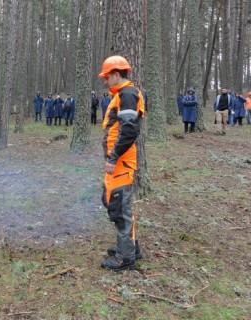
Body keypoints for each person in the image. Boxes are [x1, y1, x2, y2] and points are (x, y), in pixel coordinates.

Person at [97, 55, 145, 271]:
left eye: (106, 77)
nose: (105, 82)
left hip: (121, 164)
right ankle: (130, 248)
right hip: (119, 163)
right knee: (115, 204)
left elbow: (129, 130)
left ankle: (125, 258)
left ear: (116, 74)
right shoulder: (123, 95)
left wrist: (113, 157)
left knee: (120, 207)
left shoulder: (127, 94)